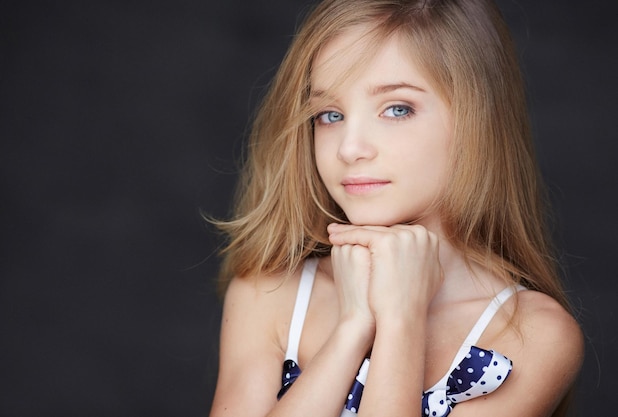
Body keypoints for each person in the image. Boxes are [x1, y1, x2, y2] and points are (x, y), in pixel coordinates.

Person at [209, 0, 584, 416]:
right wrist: (352, 329)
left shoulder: (531, 334)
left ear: (477, 120)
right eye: (330, 115)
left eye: (397, 109)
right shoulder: (269, 294)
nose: (350, 149)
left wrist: (401, 319)